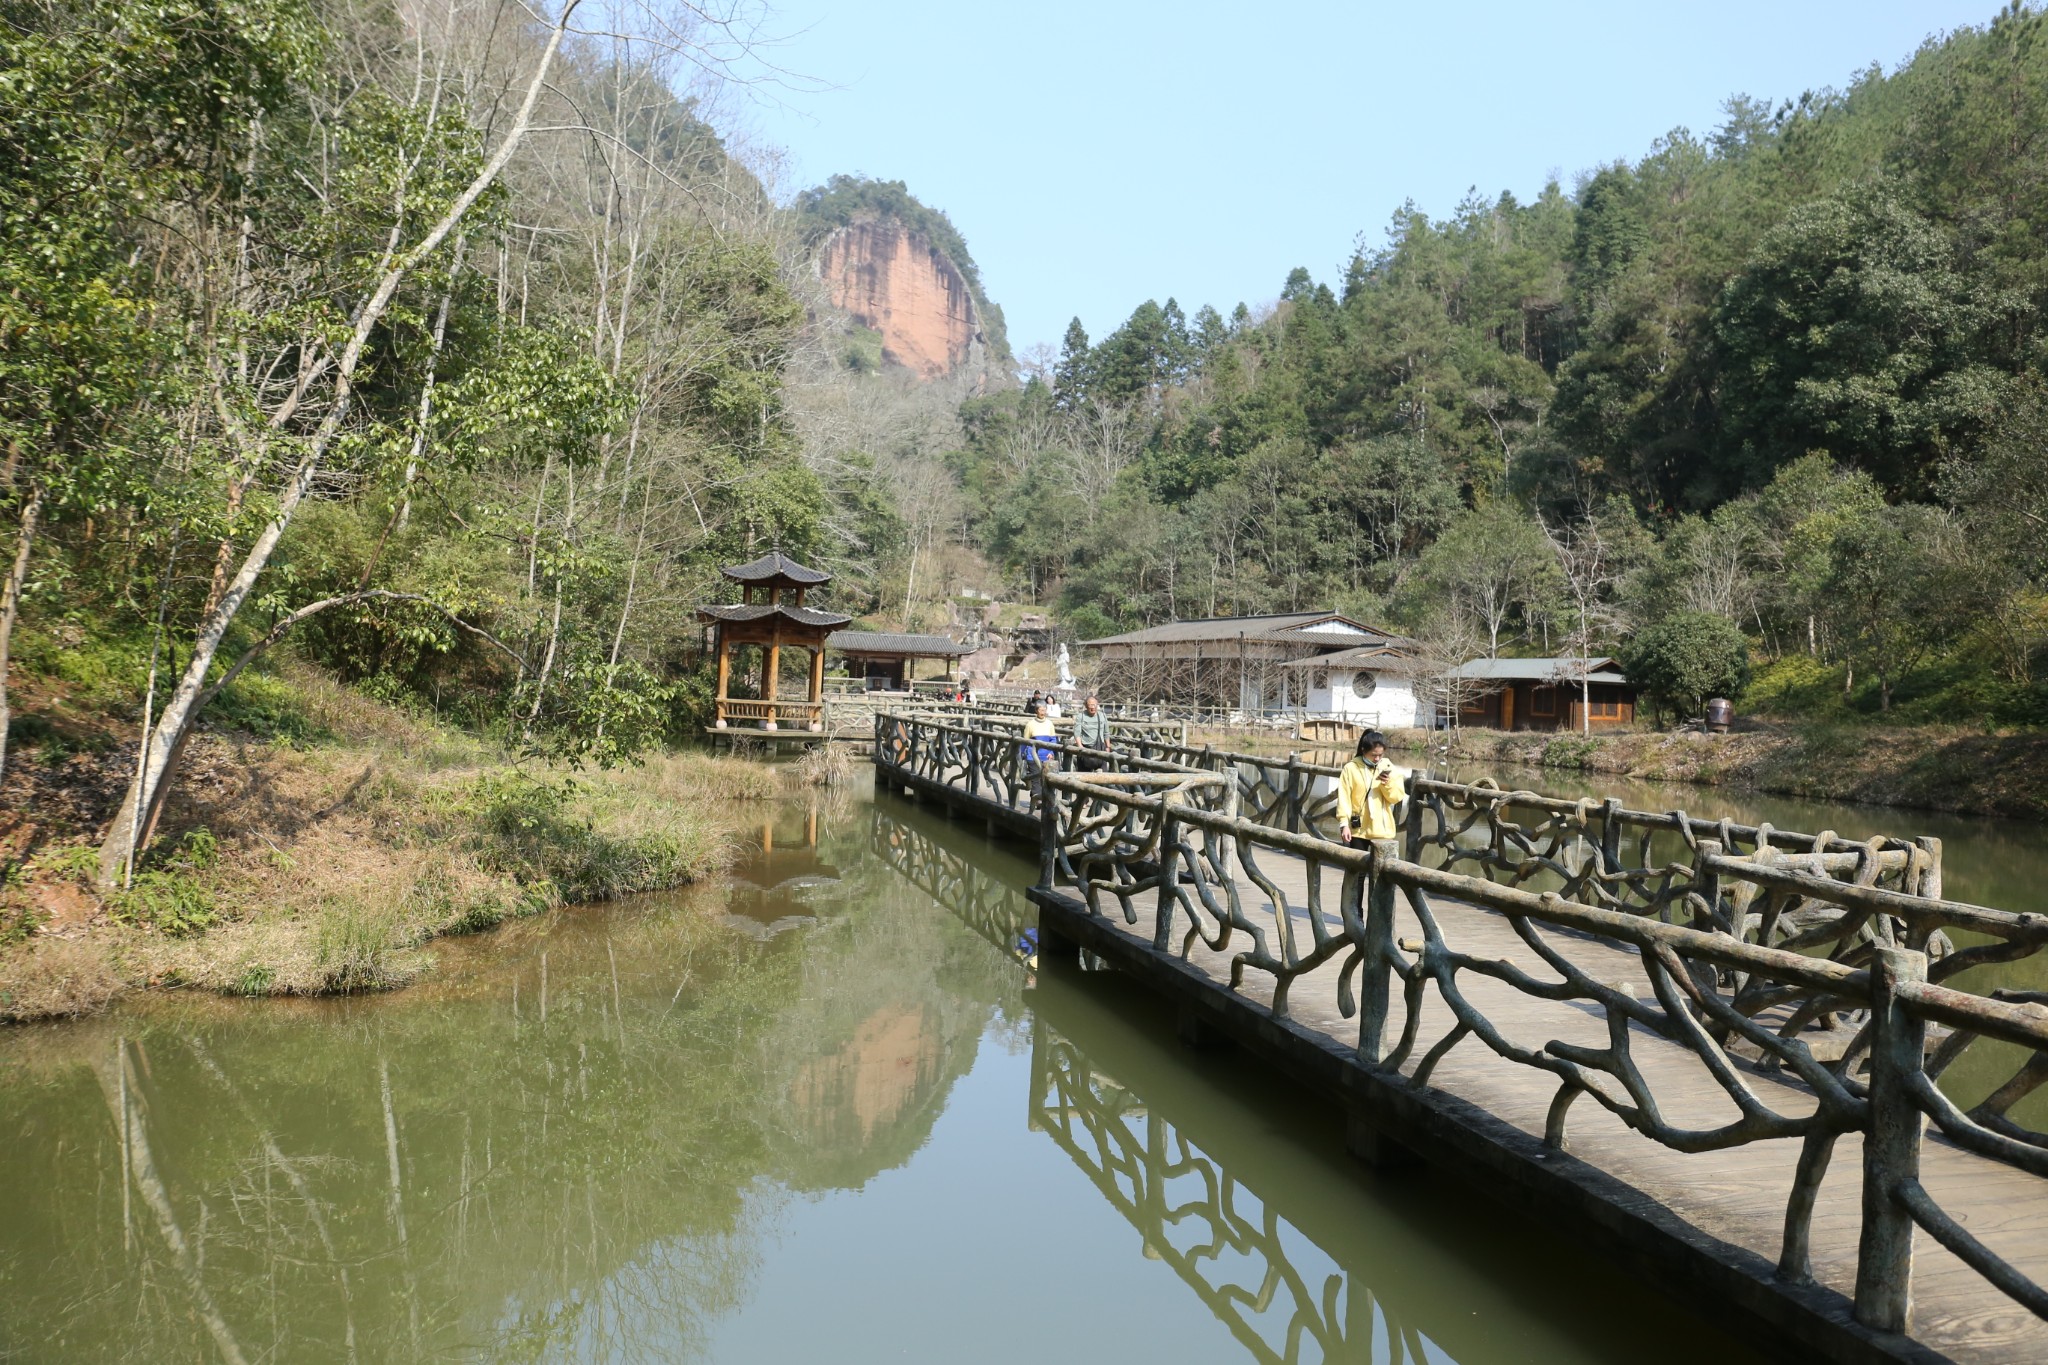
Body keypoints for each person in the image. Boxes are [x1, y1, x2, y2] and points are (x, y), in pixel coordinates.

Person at [1336, 728, 1406, 845]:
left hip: (1383, 831)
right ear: (1363, 750)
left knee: (1384, 864)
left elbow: (1396, 798)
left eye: (1380, 755)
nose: (1377, 759)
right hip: (1357, 830)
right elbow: (1344, 799)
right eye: (1373, 755)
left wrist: (1387, 784)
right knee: (1356, 863)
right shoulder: (1351, 768)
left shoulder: (1388, 767)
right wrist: (1344, 825)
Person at [1073, 693, 1112, 772]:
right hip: (1086, 747)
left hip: (1100, 748)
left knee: (1103, 777)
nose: (1093, 707)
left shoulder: (1102, 716)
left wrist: (1108, 746)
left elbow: (1106, 732)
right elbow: (1077, 733)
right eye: (1090, 705)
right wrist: (1080, 746)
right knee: (1084, 776)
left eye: (1094, 705)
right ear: (1086, 706)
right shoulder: (1081, 716)